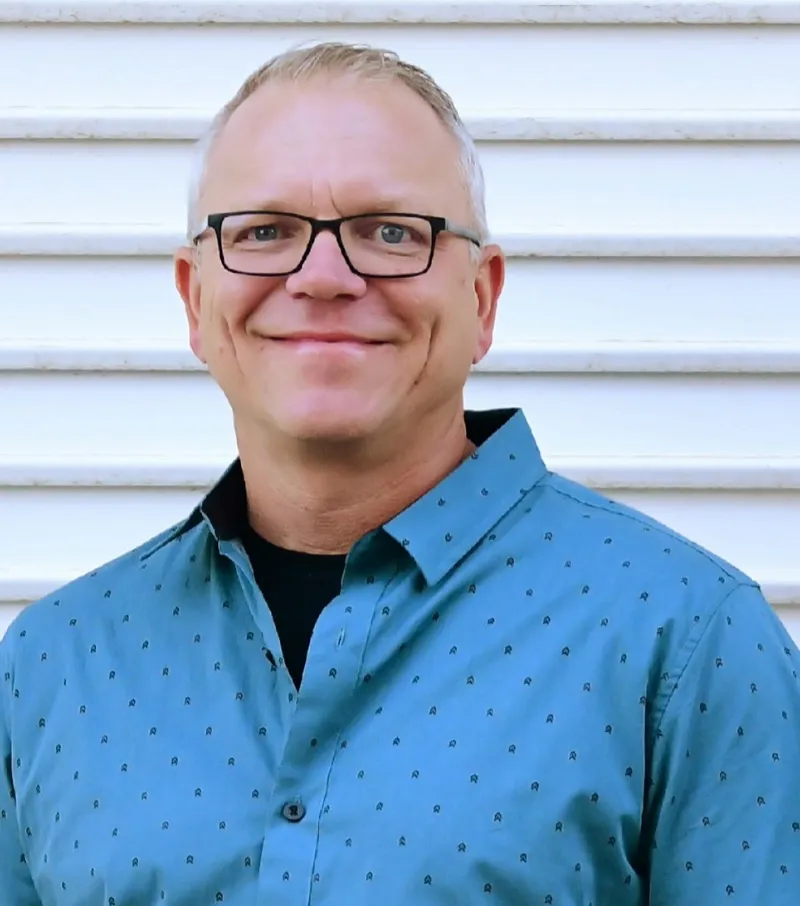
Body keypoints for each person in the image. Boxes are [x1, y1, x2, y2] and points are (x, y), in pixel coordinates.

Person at [2, 41, 799, 906]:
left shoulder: (688, 643)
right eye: (264, 231)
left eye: (391, 233)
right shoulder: (52, 665)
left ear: (482, 299)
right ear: (196, 300)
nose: (323, 277)